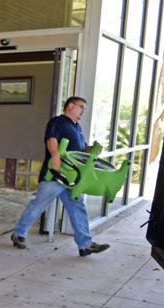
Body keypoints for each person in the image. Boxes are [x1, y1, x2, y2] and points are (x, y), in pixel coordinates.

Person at [10, 96, 110, 257]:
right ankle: (19, 233)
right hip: (56, 174)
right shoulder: (57, 122)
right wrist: (55, 156)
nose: (83, 111)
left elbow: (81, 148)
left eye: (84, 108)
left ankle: (85, 245)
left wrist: (92, 149)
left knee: (77, 207)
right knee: (39, 205)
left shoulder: (77, 127)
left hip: (72, 177)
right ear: (70, 106)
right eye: (81, 107)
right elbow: (51, 139)